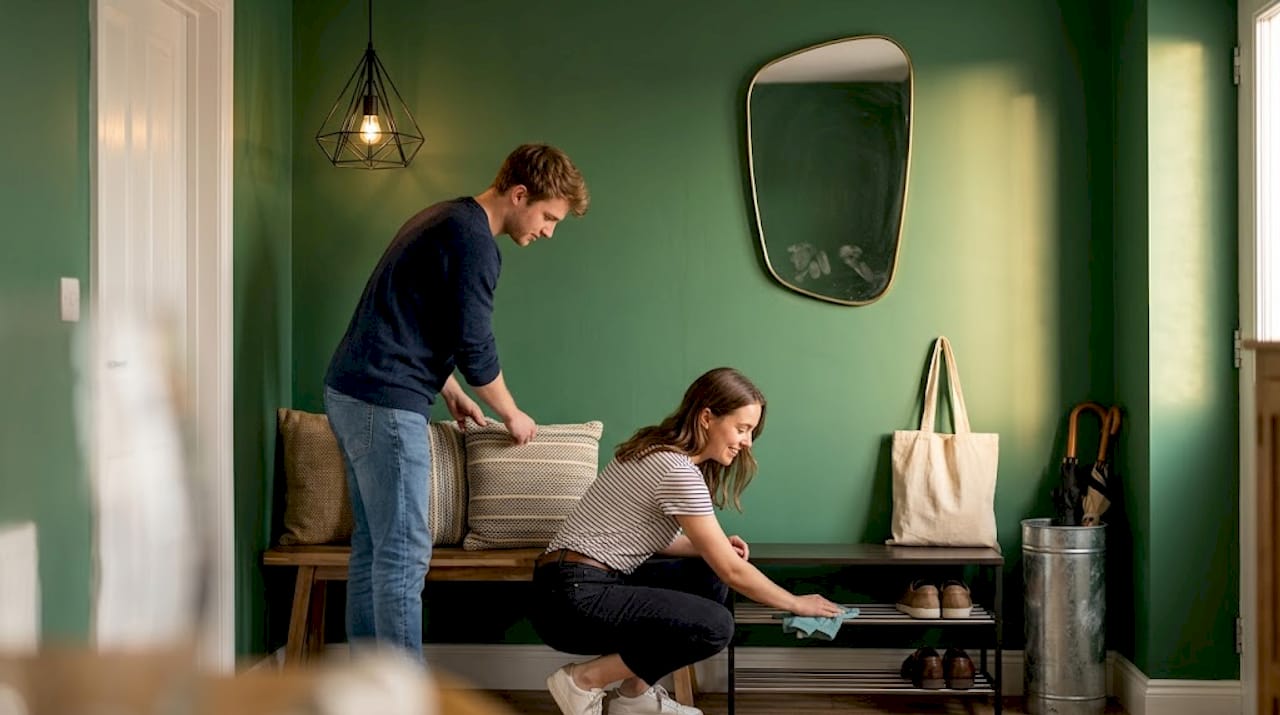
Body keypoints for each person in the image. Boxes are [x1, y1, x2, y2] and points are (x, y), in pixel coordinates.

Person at [323, 144, 590, 662]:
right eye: (548, 216)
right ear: (519, 194)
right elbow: (475, 345)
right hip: (384, 402)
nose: (548, 231)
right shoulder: (474, 242)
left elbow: (415, 321)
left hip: (351, 392)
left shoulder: (445, 218)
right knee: (403, 555)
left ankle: (368, 687)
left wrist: (452, 394)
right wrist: (512, 414)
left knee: (375, 551)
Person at [529, 368, 844, 715]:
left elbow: (632, 537)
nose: (747, 443)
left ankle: (634, 697)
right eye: (742, 429)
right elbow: (733, 572)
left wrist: (709, 546)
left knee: (704, 571)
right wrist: (796, 604)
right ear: (707, 417)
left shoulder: (650, 448)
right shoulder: (677, 471)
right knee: (716, 626)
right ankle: (584, 680)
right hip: (574, 600)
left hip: (564, 587)